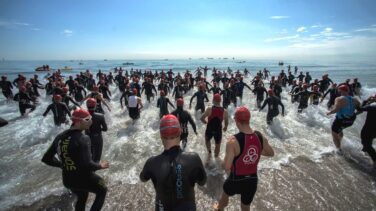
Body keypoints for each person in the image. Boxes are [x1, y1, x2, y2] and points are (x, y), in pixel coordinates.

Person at [41, 108, 109, 211]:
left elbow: (46, 158)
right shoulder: (83, 138)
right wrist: (100, 165)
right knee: (102, 189)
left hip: (68, 180)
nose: (91, 121)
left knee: (82, 196)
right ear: (77, 122)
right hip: (83, 177)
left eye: (90, 118)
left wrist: (63, 165)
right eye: (87, 119)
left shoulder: (59, 137)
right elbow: (88, 165)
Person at [140, 114, 207, 211]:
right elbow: (202, 182)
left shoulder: (151, 163)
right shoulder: (193, 159)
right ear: (180, 132)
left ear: (161, 135)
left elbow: (143, 178)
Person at [213, 106, 274, 211]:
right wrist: (256, 151)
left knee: (224, 199)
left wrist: (223, 161)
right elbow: (271, 153)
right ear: (249, 119)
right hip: (252, 180)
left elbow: (226, 166)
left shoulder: (233, 141)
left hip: (235, 179)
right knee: (245, 207)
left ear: (236, 121)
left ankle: (220, 208)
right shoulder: (259, 136)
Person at [327, 85, 360, 151]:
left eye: (339, 90)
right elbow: (360, 110)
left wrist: (329, 112)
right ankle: (340, 142)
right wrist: (354, 114)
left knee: (334, 133)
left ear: (340, 90)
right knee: (340, 130)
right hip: (350, 121)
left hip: (341, 120)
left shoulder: (339, 98)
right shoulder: (355, 99)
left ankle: (338, 150)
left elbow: (336, 110)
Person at [200, 94, 229, 158]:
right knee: (218, 145)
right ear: (220, 101)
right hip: (218, 131)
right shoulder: (225, 111)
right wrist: (225, 127)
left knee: (207, 141)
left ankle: (209, 153)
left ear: (213, 100)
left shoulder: (209, 109)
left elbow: (202, 118)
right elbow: (226, 122)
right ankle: (216, 158)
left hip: (209, 129)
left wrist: (206, 122)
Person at [86, 98, 108, 163]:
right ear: (95, 105)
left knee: (89, 157)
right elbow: (105, 129)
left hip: (87, 138)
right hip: (97, 137)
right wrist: (99, 129)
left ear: (87, 105)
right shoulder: (100, 116)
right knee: (97, 158)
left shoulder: (84, 116)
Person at [356, 95, 376, 167]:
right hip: (374, 131)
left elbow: (360, 109)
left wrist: (366, 101)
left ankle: (374, 159)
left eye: (373, 98)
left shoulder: (372, 106)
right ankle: (364, 152)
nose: (372, 98)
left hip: (369, 129)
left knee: (366, 143)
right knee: (368, 141)